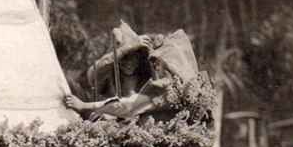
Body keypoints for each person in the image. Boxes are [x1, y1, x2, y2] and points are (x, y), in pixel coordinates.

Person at [64, 26, 199, 122]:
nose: (129, 62)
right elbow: (94, 74)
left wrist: (86, 106)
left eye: (134, 56)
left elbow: (130, 106)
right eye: (124, 57)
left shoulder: (168, 85)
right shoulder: (108, 76)